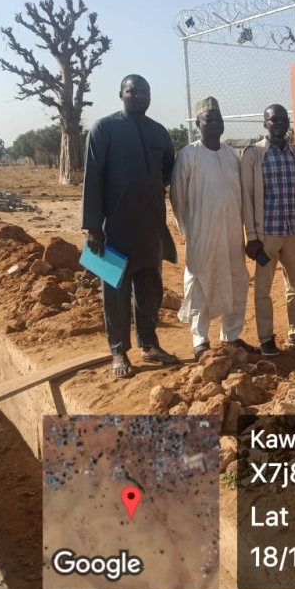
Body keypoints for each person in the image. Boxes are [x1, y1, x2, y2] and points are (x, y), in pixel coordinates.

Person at [81, 74, 180, 378]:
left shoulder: (159, 133)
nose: (139, 96)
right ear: (120, 94)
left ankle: (149, 345)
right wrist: (93, 227)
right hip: (114, 228)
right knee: (115, 292)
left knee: (150, 290)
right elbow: (92, 180)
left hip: (151, 226)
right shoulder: (104, 129)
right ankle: (118, 351)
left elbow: (167, 172)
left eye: (144, 92)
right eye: (132, 91)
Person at [170, 97, 255, 360]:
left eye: (218, 118)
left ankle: (230, 335)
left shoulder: (232, 155)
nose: (215, 123)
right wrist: (188, 232)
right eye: (209, 119)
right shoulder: (188, 155)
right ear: (198, 124)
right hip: (201, 233)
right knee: (199, 283)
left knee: (235, 279)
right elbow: (177, 198)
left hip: (231, 234)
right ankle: (200, 341)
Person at [240, 104, 295, 361]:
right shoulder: (253, 154)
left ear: (288, 124)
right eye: (272, 119)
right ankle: (266, 338)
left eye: (282, 119)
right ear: (265, 124)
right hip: (266, 235)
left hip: (292, 232)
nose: (278, 123)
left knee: (294, 286)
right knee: (263, 289)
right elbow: (247, 197)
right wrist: (251, 237)